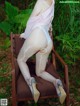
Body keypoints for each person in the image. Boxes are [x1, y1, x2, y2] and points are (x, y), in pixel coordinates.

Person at [17, 0, 66, 104]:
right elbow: (49, 24)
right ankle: (56, 82)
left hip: (38, 34)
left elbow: (31, 20)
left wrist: (25, 35)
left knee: (20, 60)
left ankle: (30, 82)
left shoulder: (41, 1)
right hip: (48, 40)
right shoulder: (52, 2)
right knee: (40, 72)